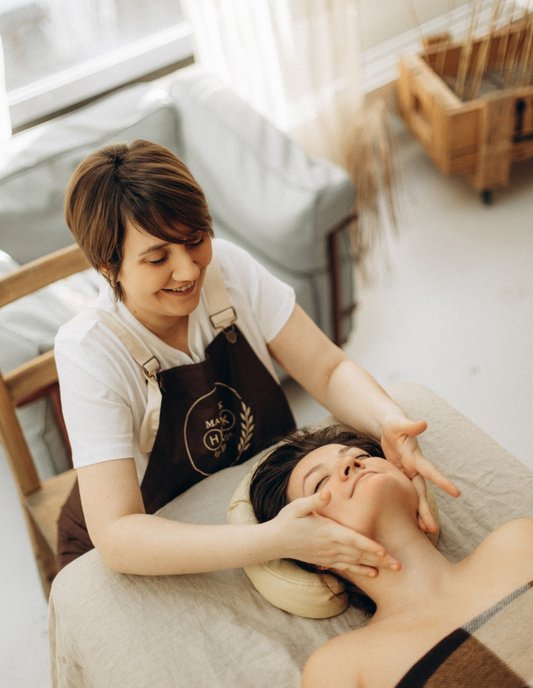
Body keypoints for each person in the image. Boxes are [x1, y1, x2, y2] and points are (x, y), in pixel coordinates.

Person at [55, 138, 459, 578]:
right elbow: (117, 535)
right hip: (146, 535)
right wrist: (274, 540)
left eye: (195, 240)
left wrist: (385, 420)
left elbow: (328, 370)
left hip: (250, 493)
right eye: (157, 259)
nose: (188, 271)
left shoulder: (228, 270)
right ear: (107, 267)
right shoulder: (90, 350)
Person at [250, 425, 533, 688]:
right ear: (311, 552)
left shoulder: (518, 543)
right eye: (319, 483)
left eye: (361, 456)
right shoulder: (341, 666)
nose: (351, 464)